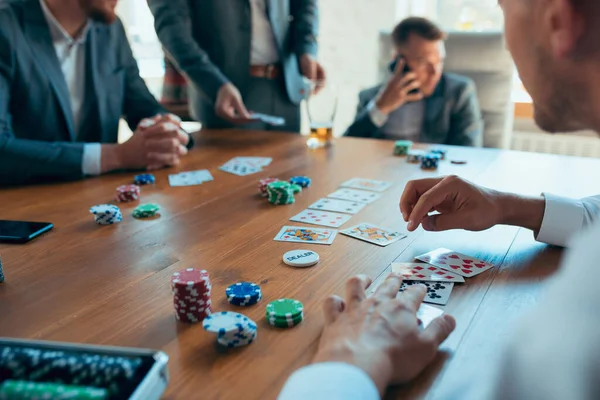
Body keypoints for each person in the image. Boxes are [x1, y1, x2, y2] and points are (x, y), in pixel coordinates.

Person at [279, 0, 600, 398]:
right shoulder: (374, 96)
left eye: (502, 8)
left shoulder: (581, 312)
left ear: (560, 23)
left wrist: (351, 361)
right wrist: (508, 206)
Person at [0, 0, 193, 186]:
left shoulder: (111, 29)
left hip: (100, 199)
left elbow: (142, 107)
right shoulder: (6, 27)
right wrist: (116, 156)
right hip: (25, 206)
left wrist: (166, 131)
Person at [148, 0, 323, 133]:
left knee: (291, 178)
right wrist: (215, 85)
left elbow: (305, 5)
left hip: (286, 89)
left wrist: (306, 49)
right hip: (226, 97)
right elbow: (172, 28)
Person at [344, 17, 483, 146]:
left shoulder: (458, 93)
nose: (435, 72)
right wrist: (380, 108)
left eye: (439, 61)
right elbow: (346, 148)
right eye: (424, 62)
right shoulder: (369, 97)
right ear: (398, 60)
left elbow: (469, 152)